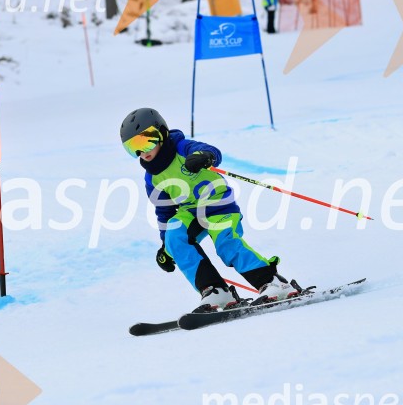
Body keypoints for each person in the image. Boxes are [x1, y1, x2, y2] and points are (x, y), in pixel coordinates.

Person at [120, 107, 298, 310]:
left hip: (217, 203)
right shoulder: (151, 178)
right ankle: (215, 291)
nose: (141, 151)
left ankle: (273, 282)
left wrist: (204, 156)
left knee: (225, 243)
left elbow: (213, 152)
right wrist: (165, 246)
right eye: (133, 147)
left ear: (161, 133)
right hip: (190, 212)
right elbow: (164, 211)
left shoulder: (182, 147)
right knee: (174, 237)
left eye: (145, 141)